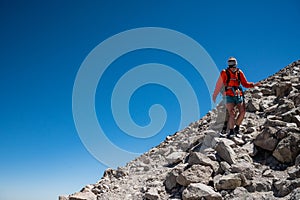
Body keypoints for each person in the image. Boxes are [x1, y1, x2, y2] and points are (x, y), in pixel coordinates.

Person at [212, 57, 260, 138]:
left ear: (235, 63)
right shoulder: (224, 72)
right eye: (230, 63)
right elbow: (218, 85)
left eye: (233, 62)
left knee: (242, 112)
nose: (232, 64)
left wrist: (253, 85)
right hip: (228, 95)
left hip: (238, 94)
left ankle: (237, 128)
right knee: (232, 113)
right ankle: (231, 131)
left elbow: (245, 84)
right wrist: (215, 95)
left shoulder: (239, 72)